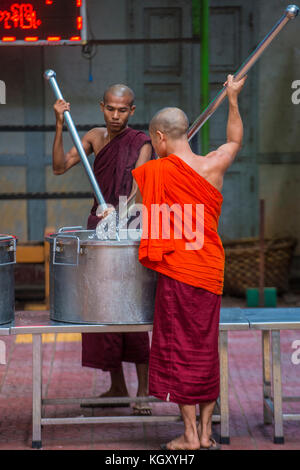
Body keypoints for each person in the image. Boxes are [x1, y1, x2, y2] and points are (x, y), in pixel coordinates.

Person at [132, 74, 247, 449]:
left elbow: (134, 203)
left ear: (160, 137)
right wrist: (232, 99)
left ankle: (189, 434)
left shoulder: (156, 171)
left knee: (177, 348)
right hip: (210, 271)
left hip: (178, 272)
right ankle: (208, 430)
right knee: (204, 348)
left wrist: (148, 155)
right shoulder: (214, 165)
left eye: (153, 139)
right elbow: (234, 140)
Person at [52, 84, 154, 415]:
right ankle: (117, 386)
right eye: (110, 108)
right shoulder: (94, 137)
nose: (115, 115)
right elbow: (58, 166)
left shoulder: (143, 143)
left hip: (128, 228)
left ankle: (143, 390)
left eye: (122, 110)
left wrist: (121, 219)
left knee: (131, 309)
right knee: (98, 308)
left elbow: (139, 191)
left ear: (132, 111)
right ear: (101, 107)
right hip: (98, 225)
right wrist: (58, 125)